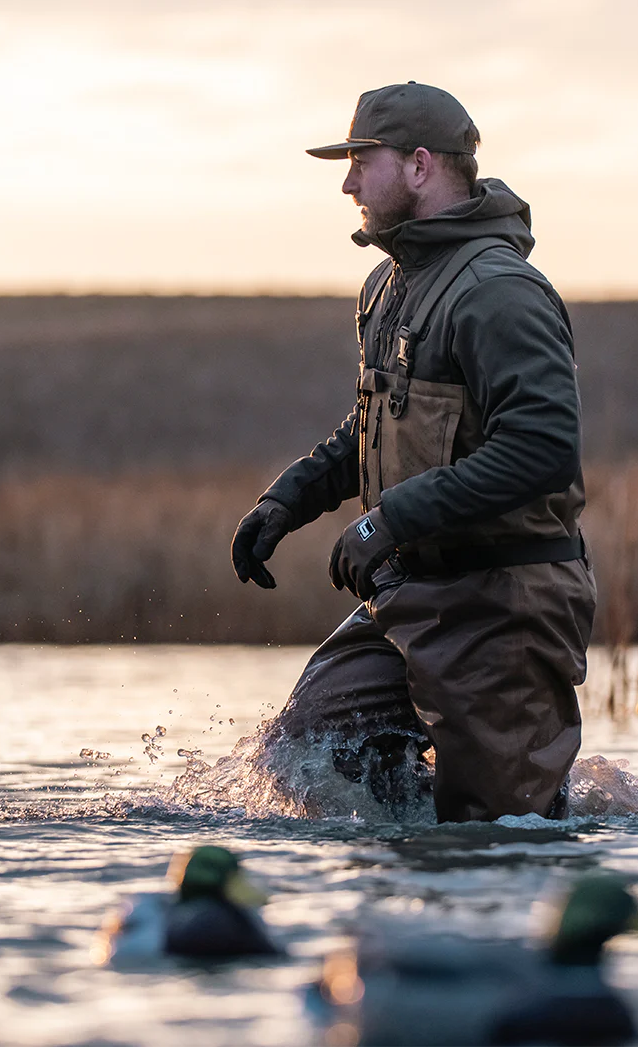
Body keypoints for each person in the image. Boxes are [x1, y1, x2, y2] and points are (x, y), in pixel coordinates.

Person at [231, 82, 596, 823]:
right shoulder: (388, 285)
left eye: (363, 161)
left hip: (503, 607)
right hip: (409, 596)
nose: (348, 181)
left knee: (501, 836)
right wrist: (290, 496)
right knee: (305, 753)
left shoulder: (500, 291)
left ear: (421, 166)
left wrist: (387, 522)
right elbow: (373, 424)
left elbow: (542, 449)